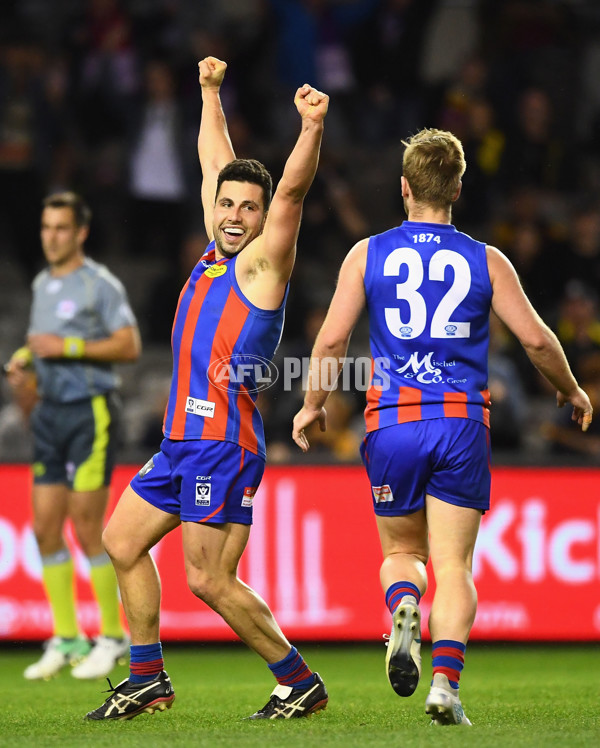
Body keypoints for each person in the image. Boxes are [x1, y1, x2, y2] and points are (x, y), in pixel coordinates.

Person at [292, 128, 593, 726]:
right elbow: (535, 338)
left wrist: (312, 402)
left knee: (403, 551)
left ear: (404, 188)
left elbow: (330, 337)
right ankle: (445, 686)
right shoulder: (487, 259)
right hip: (459, 424)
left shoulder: (367, 253)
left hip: (392, 425)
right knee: (454, 566)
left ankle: (403, 604)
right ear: (457, 187)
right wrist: (569, 388)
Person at [86, 57, 329, 721]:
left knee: (208, 578)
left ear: (259, 220)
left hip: (222, 442)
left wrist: (310, 128)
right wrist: (208, 92)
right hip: (180, 443)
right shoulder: (213, 249)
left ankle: (297, 679)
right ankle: (147, 679)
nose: (234, 212)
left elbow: (292, 197)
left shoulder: (261, 264)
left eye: (247, 207)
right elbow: (212, 159)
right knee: (122, 542)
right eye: (226, 203)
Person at [5, 191, 141, 680]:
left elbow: (129, 344)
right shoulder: (42, 284)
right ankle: (66, 637)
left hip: (90, 412)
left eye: (61, 228)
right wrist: (27, 361)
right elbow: (42, 342)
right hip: (50, 414)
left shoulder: (98, 285)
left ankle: (113, 634)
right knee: (44, 528)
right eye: (46, 227)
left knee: (87, 527)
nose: (52, 236)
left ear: (80, 232)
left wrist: (67, 345)